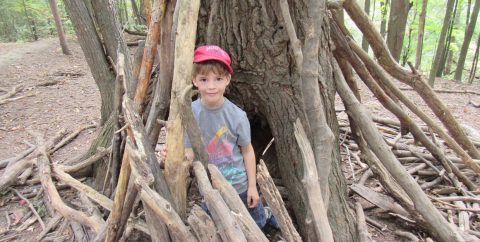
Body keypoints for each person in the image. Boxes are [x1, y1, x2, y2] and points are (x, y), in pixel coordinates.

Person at [163, 44, 277, 230]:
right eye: (204, 79)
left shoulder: (237, 116)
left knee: (257, 224)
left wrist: (252, 186)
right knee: (217, 226)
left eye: (218, 79)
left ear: (227, 80)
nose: (211, 86)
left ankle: (267, 213)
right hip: (211, 189)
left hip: (239, 186)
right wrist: (174, 155)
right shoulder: (190, 114)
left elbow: (247, 152)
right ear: (194, 80)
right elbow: (190, 152)